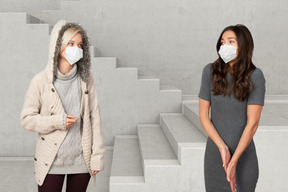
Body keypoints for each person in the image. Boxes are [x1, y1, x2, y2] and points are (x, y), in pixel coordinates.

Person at [20, 20, 105, 192]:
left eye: (80, 45)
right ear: (58, 46)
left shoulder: (86, 78)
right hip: (51, 161)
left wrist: (97, 156)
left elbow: (94, 118)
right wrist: (57, 121)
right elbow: (27, 119)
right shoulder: (40, 81)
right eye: (71, 44)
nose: (77, 49)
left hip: (81, 161)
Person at [198, 24, 265, 192]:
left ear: (243, 46)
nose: (224, 46)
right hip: (215, 157)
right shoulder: (209, 72)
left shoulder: (255, 76)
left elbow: (252, 124)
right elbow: (204, 116)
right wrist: (222, 147)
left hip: (243, 158)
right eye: (222, 42)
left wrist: (233, 161)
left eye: (231, 41)